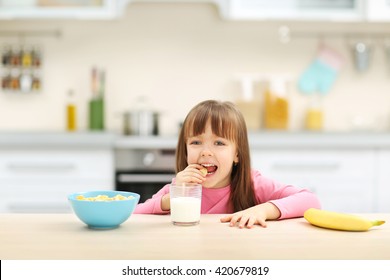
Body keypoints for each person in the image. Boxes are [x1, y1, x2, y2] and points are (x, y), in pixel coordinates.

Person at [134, 100, 321, 228]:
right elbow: (135, 215)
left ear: (237, 154)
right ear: (185, 149)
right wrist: (171, 199)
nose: (205, 151)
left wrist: (264, 209)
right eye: (196, 142)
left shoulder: (251, 183)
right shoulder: (180, 187)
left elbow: (310, 200)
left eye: (219, 143)